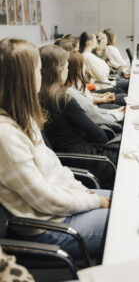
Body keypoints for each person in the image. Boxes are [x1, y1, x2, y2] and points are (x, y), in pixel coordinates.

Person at [0, 37, 111, 263]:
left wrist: (82, 191)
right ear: (25, 78)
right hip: (49, 226)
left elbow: (54, 168)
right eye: (39, 70)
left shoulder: (24, 117)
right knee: (129, 222)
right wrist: (92, 201)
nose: (42, 75)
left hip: (62, 205)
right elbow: (44, 200)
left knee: (127, 201)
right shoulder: (6, 135)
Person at [39, 45, 120, 188]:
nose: (68, 70)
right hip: (88, 160)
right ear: (59, 70)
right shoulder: (63, 100)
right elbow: (100, 137)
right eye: (66, 67)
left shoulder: (38, 99)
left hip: (68, 161)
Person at [65, 51, 125, 123]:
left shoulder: (78, 82)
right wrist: (103, 100)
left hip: (95, 109)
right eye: (84, 65)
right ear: (78, 69)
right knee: (121, 98)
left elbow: (88, 96)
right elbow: (92, 111)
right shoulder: (72, 90)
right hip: (95, 111)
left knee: (120, 96)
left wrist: (101, 96)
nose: (86, 68)